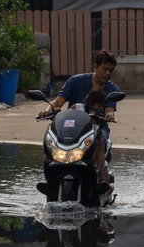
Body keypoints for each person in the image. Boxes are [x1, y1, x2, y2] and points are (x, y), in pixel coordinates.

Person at [38, 50, 119, 183]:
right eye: (105, 69)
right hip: (72, 128)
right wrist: (47, 111)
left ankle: (100, 179)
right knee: (51, 142)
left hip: (97, 128)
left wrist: (109, 115)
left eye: (111, 70)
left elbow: (110, 110)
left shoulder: (112, 89)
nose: (108, 73)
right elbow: (58, 102)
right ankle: (51, 179)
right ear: (96, 66)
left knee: (101, 142)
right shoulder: (75, 81)